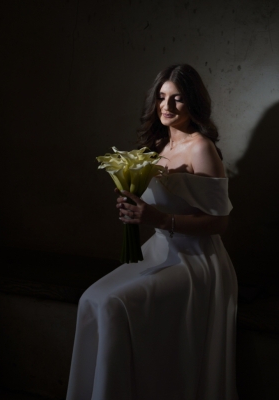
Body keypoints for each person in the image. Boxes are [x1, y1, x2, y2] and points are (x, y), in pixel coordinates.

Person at [66, 64, 238, 400]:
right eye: (161, 97)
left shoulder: (201, 148)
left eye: (178, 98)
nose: (167, 106)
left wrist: (159, 220)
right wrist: (133, 209)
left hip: (195, 261)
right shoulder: (159, 146)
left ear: (193, 102)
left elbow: (220, 223)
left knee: (114, 304)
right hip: (159, 250)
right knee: (90, 299)